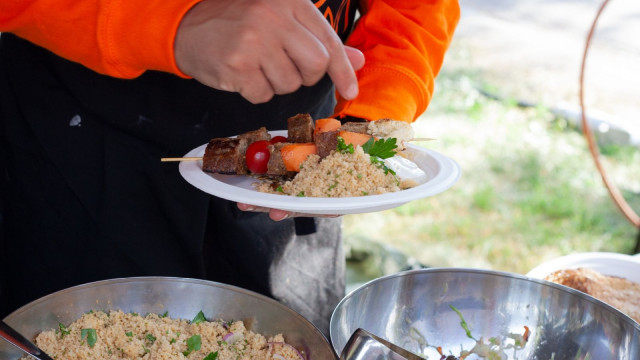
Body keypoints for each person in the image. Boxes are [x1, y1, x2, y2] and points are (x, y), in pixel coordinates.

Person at [0, 0, 460, 335]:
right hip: (84, 138)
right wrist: (170, 25)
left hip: (298, 153)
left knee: (288, 339)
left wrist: (358, 130)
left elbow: (416, 9)